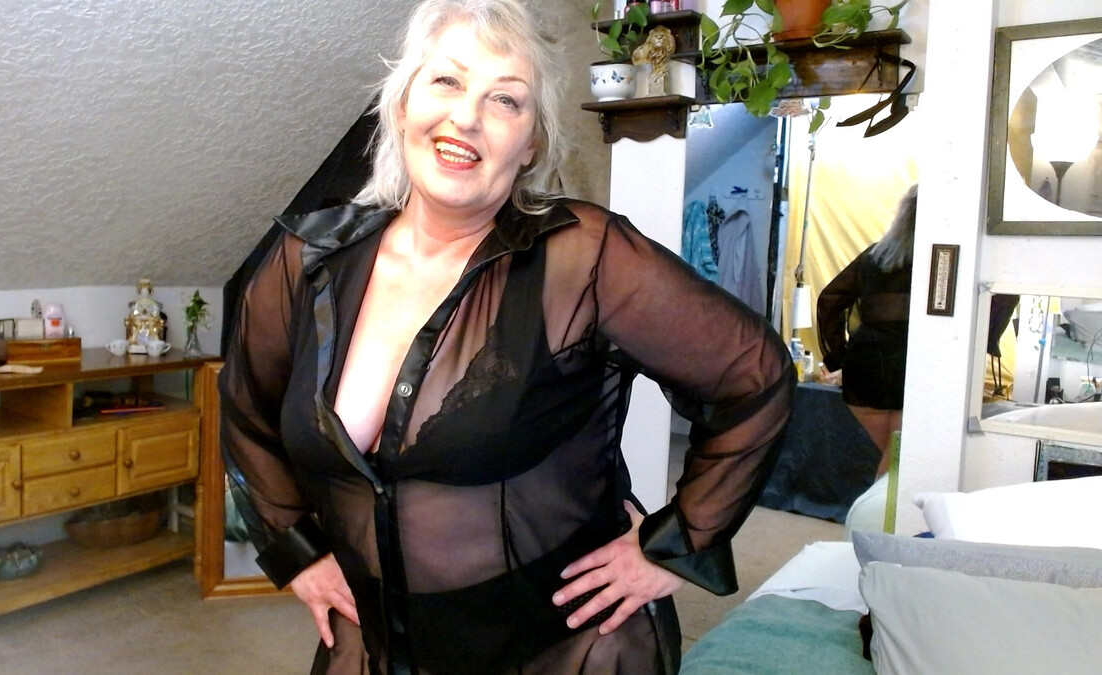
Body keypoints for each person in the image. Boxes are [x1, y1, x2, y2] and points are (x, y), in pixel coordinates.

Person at [219, 1, 795, 672]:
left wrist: (675, 544)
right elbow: (247, 410)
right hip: (373, 645)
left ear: (531, 146)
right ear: (401, 104)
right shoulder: (307, 260)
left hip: (565, 647)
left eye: (505, 100)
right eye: (447, 81)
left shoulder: (584, 259)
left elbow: (754, 376)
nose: (466, 117)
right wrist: (297, 550)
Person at [816, 184, 918, 478]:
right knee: (896, 463)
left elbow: (829, 300)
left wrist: (838, 357)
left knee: (891, 461)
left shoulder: (875, 256)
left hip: (866, 364)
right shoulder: (941, 260)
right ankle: (880, 509)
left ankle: (877, 507)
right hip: (910, 365)